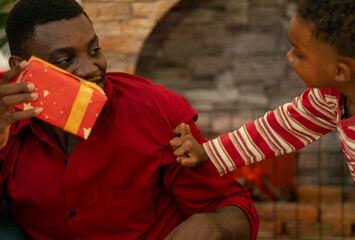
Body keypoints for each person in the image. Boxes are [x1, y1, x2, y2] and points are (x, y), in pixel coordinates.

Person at [0, 0, 259, 239]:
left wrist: (212, 226)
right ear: (21, 68)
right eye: (66, 60)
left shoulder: (157, 110)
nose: (91, 68)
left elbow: (231, 206)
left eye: (94, 50)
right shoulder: (7, 123)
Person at [170, 0, 355, 197]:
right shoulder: (330, 97)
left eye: (300, 55)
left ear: (339, 71)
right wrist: (207, 152)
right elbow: (276, 129)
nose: (289, 56)